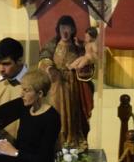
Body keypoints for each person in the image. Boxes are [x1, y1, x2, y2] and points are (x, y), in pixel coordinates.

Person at [0, 69, 61, 162]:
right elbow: (21, 145)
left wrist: (14, 152)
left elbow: (43, 158)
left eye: (26, 90)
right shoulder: (26, 110)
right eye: (22, 89)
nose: (21, 94)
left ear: (40, 93)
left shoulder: (52, 117)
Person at [37, 15, 93, 149]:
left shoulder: (78, 45)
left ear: (73, 29)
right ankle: (56, 142)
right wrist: (49, 67)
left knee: (73, 112)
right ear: (59, 29)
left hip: (72, 84)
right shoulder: (52, 44)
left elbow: (88, 62)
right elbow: (44, 57)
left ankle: (71, 140)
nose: (65, 31)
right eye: (63, 27)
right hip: (56, 85)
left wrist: (83, 63)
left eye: (68, 28)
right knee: (56, 111)